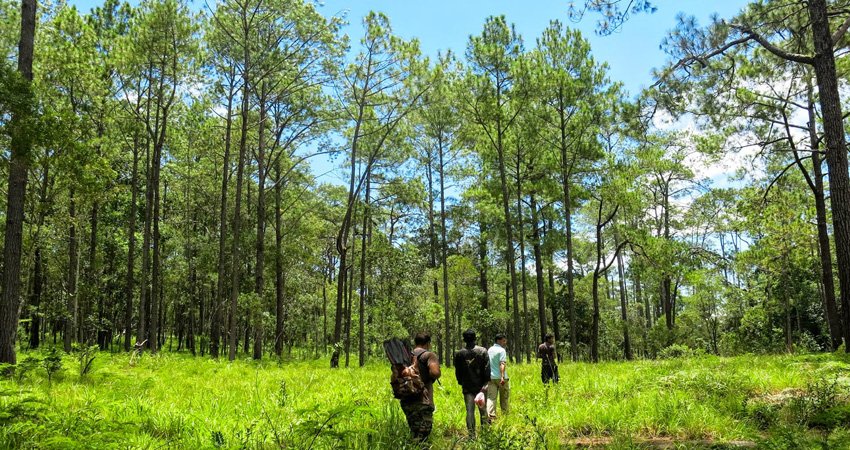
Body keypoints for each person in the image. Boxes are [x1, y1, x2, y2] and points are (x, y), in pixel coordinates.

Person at [397, 332, 441, 442]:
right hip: (423, 400)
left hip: (407, 399)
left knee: (414, 431)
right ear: (428, 343)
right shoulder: (429, 355)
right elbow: (435, 373)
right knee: (423, 436)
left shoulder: (406, 356)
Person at [453, 329, 490, 435]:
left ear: (464, 339)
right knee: (483, 410)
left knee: (469, 411)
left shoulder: (459, 354)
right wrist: (485, 384)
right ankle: (485, 435)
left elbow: (458, 371)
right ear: (475, 338)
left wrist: (461, 382)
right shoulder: (483, 351)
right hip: (481, 387)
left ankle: (471, 436)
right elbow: (487, 369)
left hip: (467, 387)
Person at [486, 334, 509, 420]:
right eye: (503, 341)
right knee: (504, 398)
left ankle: (490, 416)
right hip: (501, 378)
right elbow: (502, 363)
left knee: (491, 398)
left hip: (491, 377)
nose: (505, 342)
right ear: (498, 341)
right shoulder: (502, 350)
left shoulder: (489, 350)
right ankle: (505, 416)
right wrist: (502, 377)